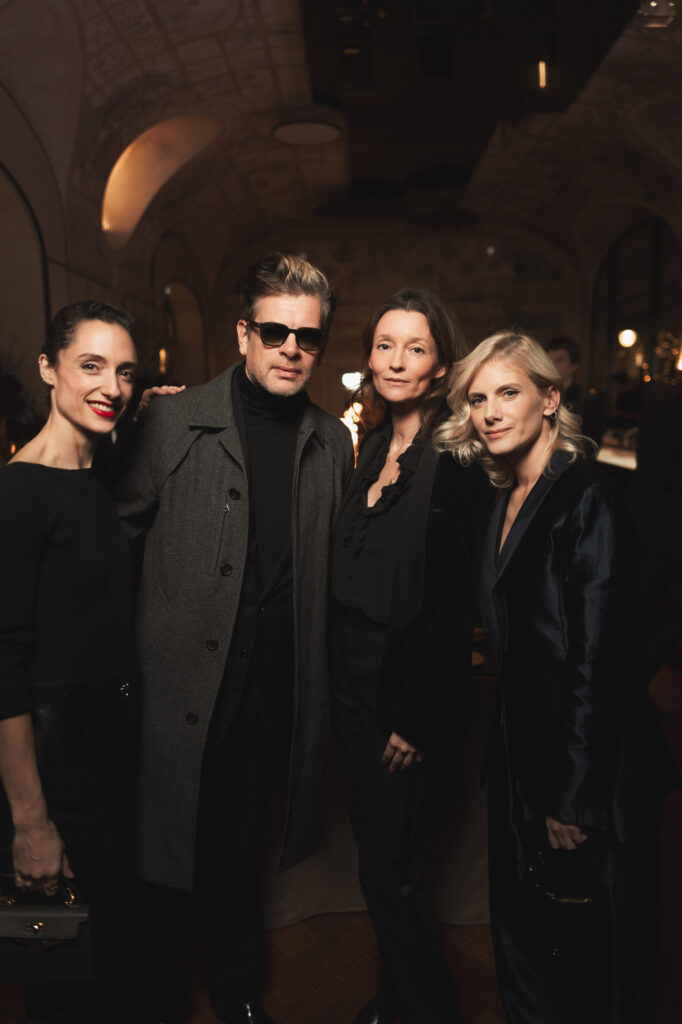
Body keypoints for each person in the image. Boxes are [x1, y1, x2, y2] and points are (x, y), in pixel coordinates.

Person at [115, 252, 354, 1024]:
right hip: (175, 682)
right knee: (161, 848)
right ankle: (156, 997)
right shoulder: (172, 420)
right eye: (275, 331)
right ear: (244, 334)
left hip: (269, 690)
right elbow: (115, 539)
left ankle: (238, 989)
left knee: (238, 848)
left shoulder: (332, 442)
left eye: (307, 337)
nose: (291, 348)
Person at [436, 329, 674, 1023]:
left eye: (508, 392)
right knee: (526, 944)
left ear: (549, 399)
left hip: (588, 772)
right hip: (522, 760)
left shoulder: (587, 496)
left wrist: (571, 797)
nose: (489, 412)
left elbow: (597, 660)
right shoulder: (505, 496)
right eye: (477, 398)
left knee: (600, 964)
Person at [331, 289, 491, 1024]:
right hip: (350, 686)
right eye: (385, 345)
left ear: (441, 367)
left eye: (416, 348)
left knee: (392, 869)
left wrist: (420, 716)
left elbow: (457, 606)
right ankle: (400, 996)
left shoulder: (456, 462)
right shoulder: (368, 449)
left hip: (401, 695)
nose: (397, 361)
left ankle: (427, 1006)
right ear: (369, 358)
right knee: (378, 861)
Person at [0, 301, 138, 1023]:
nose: (112, 386)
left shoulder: (101, 469)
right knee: (64, 976)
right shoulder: (19, 491)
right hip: (51, 763)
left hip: (110, 749)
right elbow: (3, 668)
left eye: (125, 372)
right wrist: (30, 822)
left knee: (113, 960)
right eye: (91, 366)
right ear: (48, 369)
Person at [545, 336, 604, 445]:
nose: (552, 365)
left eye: (559, 360)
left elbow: (592, 443)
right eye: (549, 361)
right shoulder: (541, 396)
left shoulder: (588, 401)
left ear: (574, 366)